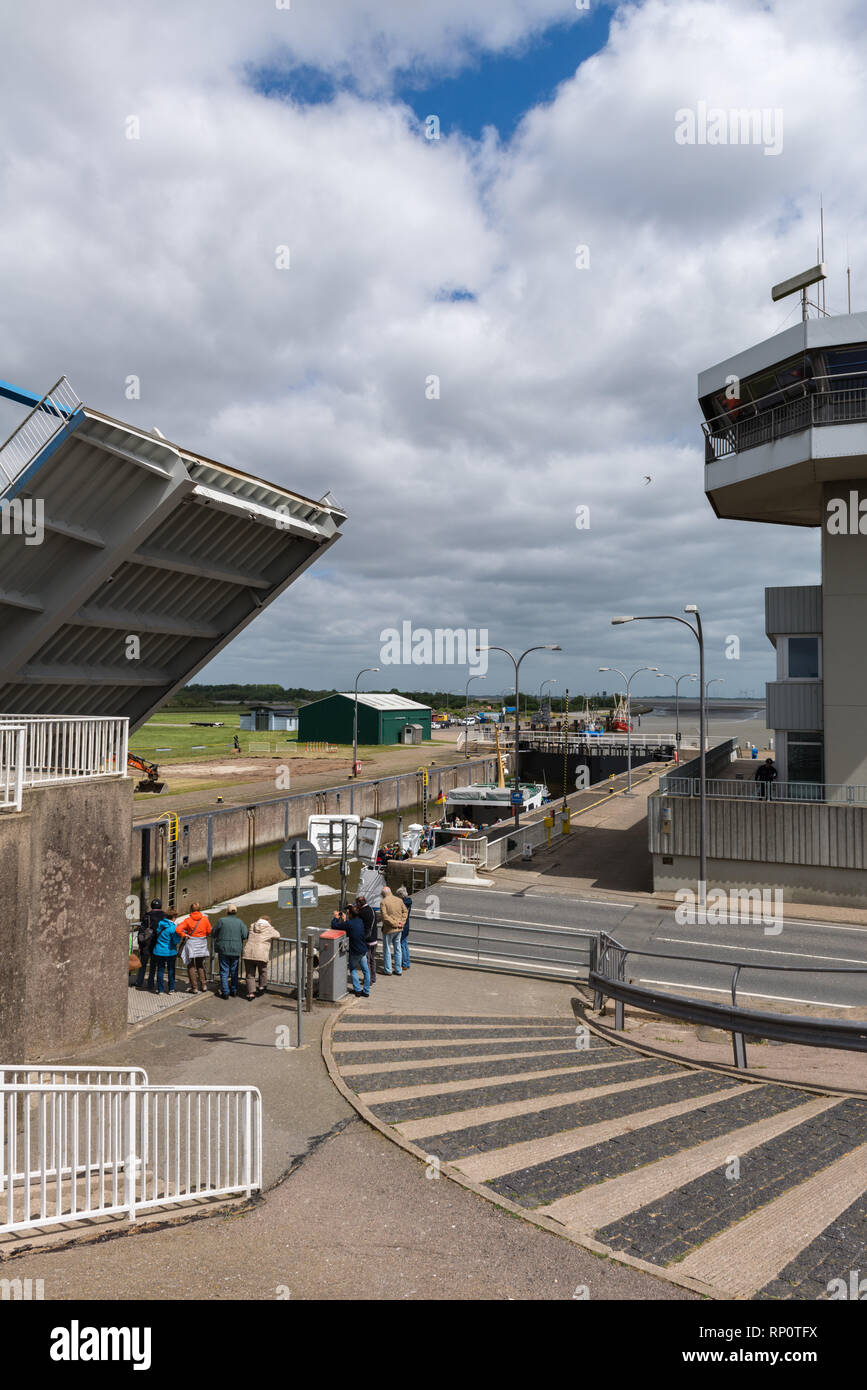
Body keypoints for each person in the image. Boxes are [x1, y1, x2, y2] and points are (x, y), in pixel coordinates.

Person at [175, 902, 213, 993]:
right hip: (201, 943)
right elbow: (209, 931)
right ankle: (203, 985)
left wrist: (184, 935)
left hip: (191, 944)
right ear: (200, 909)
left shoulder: (188, 920)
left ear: (191, 910)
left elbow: (178, 929)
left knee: (190, 965)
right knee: (200, 964)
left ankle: (194, 987)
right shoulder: (205, 919)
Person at [212, 904, 248, 998]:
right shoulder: (240, 922)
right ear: (236, 912)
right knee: (234, 971)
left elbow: (213, 933)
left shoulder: (221, 921)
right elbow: (245, 935)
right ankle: (234, 990)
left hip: (223, 949)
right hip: (236, 949)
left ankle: (225, 992)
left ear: (226, 911)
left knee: (224, 971)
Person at [242, 915, 280, 1000]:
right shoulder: (269, 929)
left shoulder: (252, 926)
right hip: (261, 953)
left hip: (248, 952)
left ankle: (251, 993)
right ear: (268, 921)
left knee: (250, 974)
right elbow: (277, 935)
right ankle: (262, 987)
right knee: (263, 970)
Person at [338, 907, 370, 997]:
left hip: (355, 951)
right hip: (363, 950)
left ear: (351, 914)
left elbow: (336, 926)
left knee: (352, 969)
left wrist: (336, 917)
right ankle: (366, 991)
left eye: (348, 913)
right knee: (366, 970)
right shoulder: (360, 921)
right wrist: (345, 920)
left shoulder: (349, 923)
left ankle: (357, 990)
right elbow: (350, 927)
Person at [136, 898, 164, 991]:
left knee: (143, 964)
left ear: (152, 906)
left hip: (146, 944)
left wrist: (140, 945)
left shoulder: (147, 916)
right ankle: (150, 984)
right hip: (158, 944)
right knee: (153, 965)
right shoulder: (164, 916)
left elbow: (141, 931)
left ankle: (139, 982)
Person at [379, 885, 407, 976]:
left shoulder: (383, 902)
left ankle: (388, 970)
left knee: (387, 949)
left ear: (383, 894)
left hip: (389, 929)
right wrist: (401, 922)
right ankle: (398, 970)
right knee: (398, 948)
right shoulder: (399, 900)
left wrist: (394, 923)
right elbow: (405, 912)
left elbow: (385, 917)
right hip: (399, 928)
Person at [151, 912, 181, 994]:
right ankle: (171, 988)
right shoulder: (173, 928)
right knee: (171, 970)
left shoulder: (160, 924)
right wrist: (180, 935)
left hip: (159, 951)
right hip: (170, 952)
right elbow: (175, 941)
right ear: (174, 917)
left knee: (160, 970)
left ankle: (160, 989)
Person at [354, 895, 378, 984]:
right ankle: (373, 978)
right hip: (374, 938)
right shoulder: (372, 910)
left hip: (367, 940)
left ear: (359, 903)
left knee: (366, 961)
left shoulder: (362, 913)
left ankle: (368, 980)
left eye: (357, 903)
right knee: (372, 959)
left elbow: (356, 923)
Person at [397, 885, 412, 971]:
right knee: (405, 944)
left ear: (400, 895)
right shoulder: (409, 901)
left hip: (403, 925)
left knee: (402, 944)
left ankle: (405, 963)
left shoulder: (403, 904)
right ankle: (407, 962)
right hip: (407, 925)